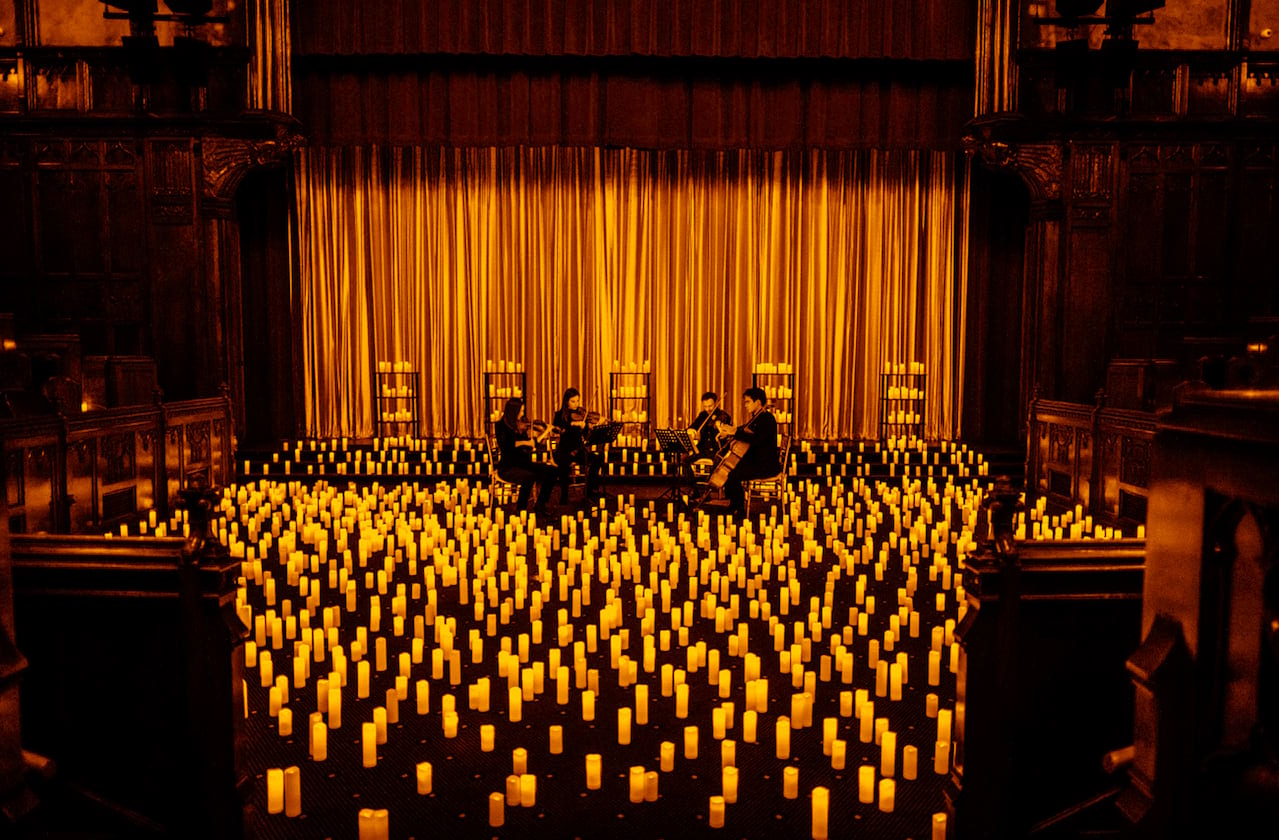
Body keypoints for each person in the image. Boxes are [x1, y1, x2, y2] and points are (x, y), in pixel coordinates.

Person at [714, 387, 780, 517]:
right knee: (730, 469)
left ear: (758, 402)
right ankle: (734, 503)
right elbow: (744, 429)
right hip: (756, 460)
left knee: (733, 474)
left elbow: (757, 439)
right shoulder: (756, 418)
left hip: (766, 465)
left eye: (748, 402)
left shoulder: (767, 419)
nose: (745, 405)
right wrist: (728, 432)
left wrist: (735, 432)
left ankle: (739, 507)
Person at [493, 397, 556, 514]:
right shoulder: (500, 426)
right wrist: (525, 442)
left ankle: (540, 504)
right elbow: (506, 446)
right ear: (513, 411)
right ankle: (521, 509)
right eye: (521, 411)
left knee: (552, 471)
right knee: (529, 477)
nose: (522, 414)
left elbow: (529, 446)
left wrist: (543, 434)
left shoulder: (520, 425)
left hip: (523, 463)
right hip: (508, 467)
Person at [551, 388, 603, 504]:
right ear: (566, 402)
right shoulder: (559, 415)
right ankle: (564, 495)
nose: (576, 404)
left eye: (577, 401)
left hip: (578, 450)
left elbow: (585, 436)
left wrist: (585, 427)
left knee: (598, 458)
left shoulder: (581, 415)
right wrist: (572, 425)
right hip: (564, 450)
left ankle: (589, 490)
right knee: (563, 465)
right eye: (573, 401)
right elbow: (557, 430)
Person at [686, 391, 732, 458]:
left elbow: (723, 429)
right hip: (703, 451)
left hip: (717, 451)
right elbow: (693, 426)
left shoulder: (723, 415)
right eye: (705, 406)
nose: (708, 409)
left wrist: (718, 424)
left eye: (710, 406)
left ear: (716, 403)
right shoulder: (702, 415)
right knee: (684, 458)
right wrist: (693, 432)